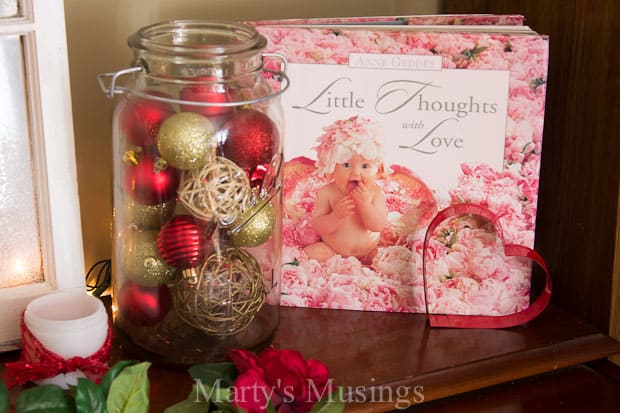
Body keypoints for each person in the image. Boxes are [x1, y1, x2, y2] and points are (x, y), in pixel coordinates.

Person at [303, 116, 388, 264]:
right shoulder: (327, 193)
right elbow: (319, 226)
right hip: (332, 251)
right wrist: (336, 216)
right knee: (310, 254)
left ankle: (368, 264)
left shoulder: (375, 194)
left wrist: (365, 205)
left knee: (386, 259)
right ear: (331, 167)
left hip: (368, 252)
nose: (355, 173)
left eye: (365, 166)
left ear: (379, 171)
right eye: (346, 165)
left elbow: (378, 225)